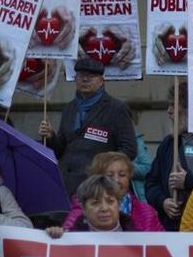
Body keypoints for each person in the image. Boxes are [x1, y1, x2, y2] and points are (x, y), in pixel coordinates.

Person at [39, 56, 137, 196]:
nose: (85, 80)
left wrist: (106, 171)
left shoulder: (116, 109)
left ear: (102, 81)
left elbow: (129, 150)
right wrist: (50, 137)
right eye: (80, 76)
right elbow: (60, 150)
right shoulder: (69, 108)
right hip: (67, 186)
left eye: (91, 76)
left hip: (97, 187)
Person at [145, 87, 193, 230]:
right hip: (172, 225)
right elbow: (151, 182)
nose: (168, 111)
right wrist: (163, 201)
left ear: (191, 109)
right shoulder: (168, 144)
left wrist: (187, 181)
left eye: (174, 105)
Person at [59, 152, 163, 232]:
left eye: (122, 175)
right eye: (110, 175)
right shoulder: (80, 209)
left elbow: (163, 245)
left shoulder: (146, 211)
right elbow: (67, 238)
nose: (116, 180)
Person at [47, 175, 133, 235]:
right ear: (83, 208)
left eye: (110, 201)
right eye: (95, 203)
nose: (104, 208)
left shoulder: (140, 237)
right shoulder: (68, 238)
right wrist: (52, 238)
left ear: (118, 204)